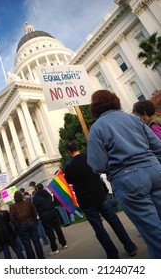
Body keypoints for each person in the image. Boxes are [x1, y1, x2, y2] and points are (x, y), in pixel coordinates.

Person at [87, 89, 161, 259]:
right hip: (154, 170)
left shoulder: (97, 128)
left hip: (128, 179)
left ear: (94, 107)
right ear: (115, 101)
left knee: (153, 232)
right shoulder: (134, 119)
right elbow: (157, 146)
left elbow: (96, 164)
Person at [64, 141, 137, 259]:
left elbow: (69, 181)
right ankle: (130, 247)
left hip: (86, 201)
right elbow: (99, 168)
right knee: (114, 222)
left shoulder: (69, 166)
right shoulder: (90, 156)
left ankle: (112, 255)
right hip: (100, 196)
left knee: (99, 229)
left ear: (68, 152)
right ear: (77, 148)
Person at [32, 183, 67, 256]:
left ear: (37, 189)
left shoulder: (36, 197)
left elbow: (34, 207)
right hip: (52, 212)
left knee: (50, 232)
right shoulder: (48, 194)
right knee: (58, 228)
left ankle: (55, 249)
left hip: (44, 215)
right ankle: (64, 243)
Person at [10, 191, 45, 259]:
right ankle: (41, 257)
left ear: (15, 198)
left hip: (22, 225)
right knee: (36, 241)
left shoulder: (13, 207)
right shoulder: (27, 202)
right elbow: (34, 210)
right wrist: (34, 219)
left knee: (27, 244)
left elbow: (12, 218)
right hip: (31, 222)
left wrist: (17, 225)